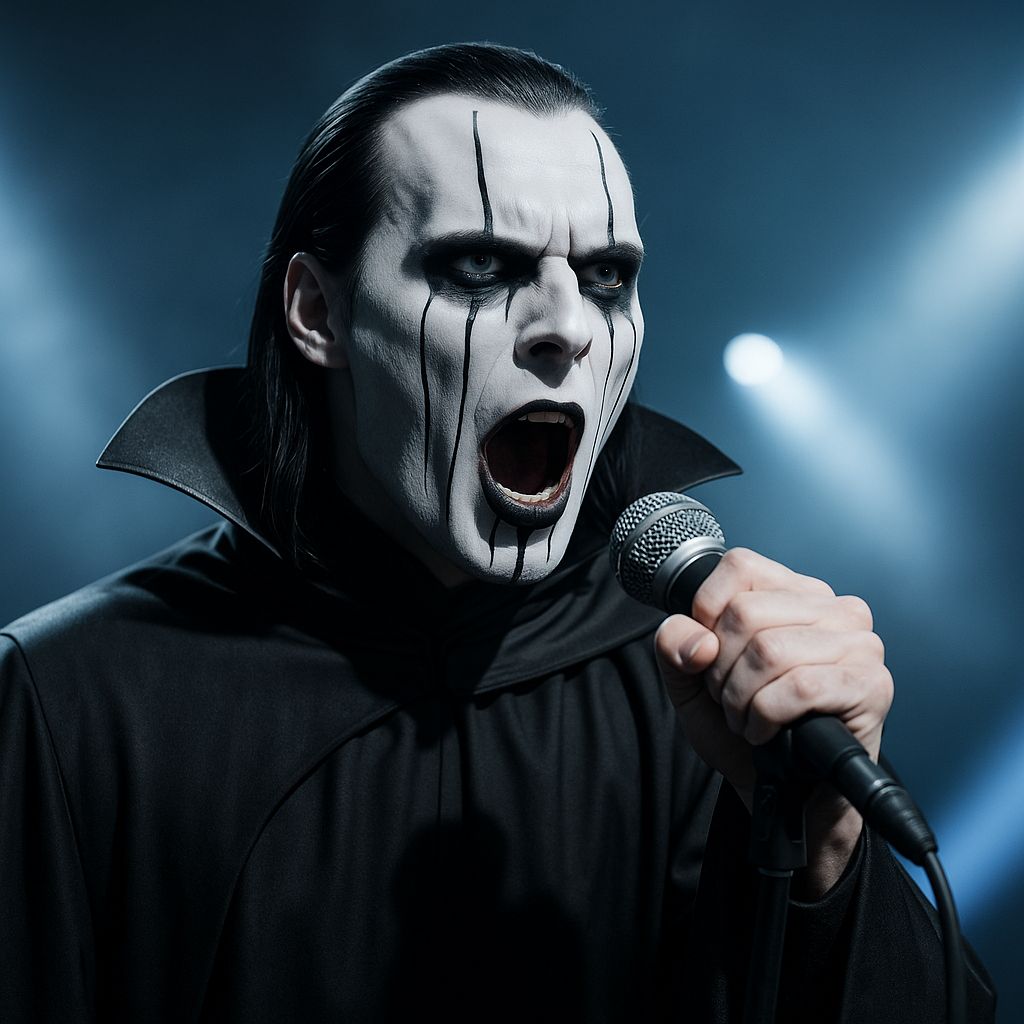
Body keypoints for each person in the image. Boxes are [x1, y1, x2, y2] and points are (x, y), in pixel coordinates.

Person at [0, 43, 995, 1022]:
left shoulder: (708, 691)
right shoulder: (77, 699)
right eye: (479, 265)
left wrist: (825, 849)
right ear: (317, 312)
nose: (569, 325)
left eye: (607, 276)